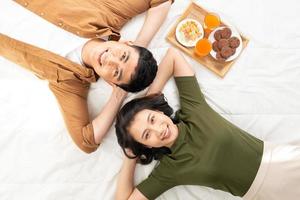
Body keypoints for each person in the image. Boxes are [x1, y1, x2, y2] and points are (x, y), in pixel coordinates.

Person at [114, 47, 300, 200]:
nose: (158, 130)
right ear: (146, 145)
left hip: (287, 160)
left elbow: (173, 57)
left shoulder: (193, 110)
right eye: (147, 135)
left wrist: (148, 101)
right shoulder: (169, 170)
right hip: (267, 195)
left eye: (152, 119)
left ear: (158, 111)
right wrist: (130, 153)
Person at [0, 0, 173, 153]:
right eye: (123, 56)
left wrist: (117, 96)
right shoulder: (108, 14)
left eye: (117, 72)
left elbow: (87, 142)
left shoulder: (69, 81)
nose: (110, 60)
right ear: (126, 43)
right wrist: (140, 45)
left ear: (111, 81)